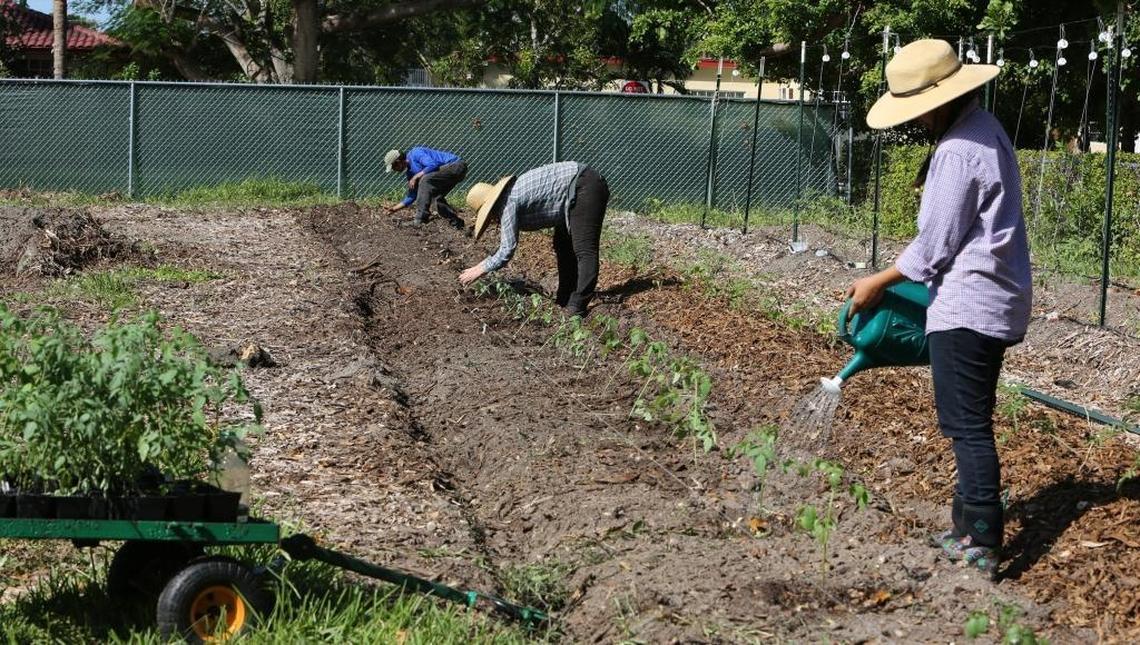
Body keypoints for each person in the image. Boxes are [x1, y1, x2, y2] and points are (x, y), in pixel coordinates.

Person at [844, 39, 1032, 575]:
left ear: (937, 99)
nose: (918, 119)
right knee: (969, 418)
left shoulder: (956, 149)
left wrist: (875, 283)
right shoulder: (984, 127)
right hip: (994, 295)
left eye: (919, 108)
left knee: (966, 425)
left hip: (970, 301)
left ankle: (983, 541)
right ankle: (963, 526)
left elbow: (934, 245)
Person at [458, 162, 609, 317]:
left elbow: (506, 250)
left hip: (584, 185)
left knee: (584, 249)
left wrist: (479, 269)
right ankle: (564, 299)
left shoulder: (508, 203)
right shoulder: (511, 195)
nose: (492, 221)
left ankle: (578, 305)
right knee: (562, 246)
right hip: (574, 190)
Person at [383, 147, 468, 226]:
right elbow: (412, 195)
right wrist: (394, 209)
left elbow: (433, 164)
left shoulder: (415, 153)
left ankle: (420, 219)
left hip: (456, 165)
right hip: (448, 173)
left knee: (425, 180)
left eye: (394, 167)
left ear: (398, 161)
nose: (394, 171)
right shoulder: (410, 173)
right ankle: (456, 222)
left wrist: (417, 176)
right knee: (435, 197)